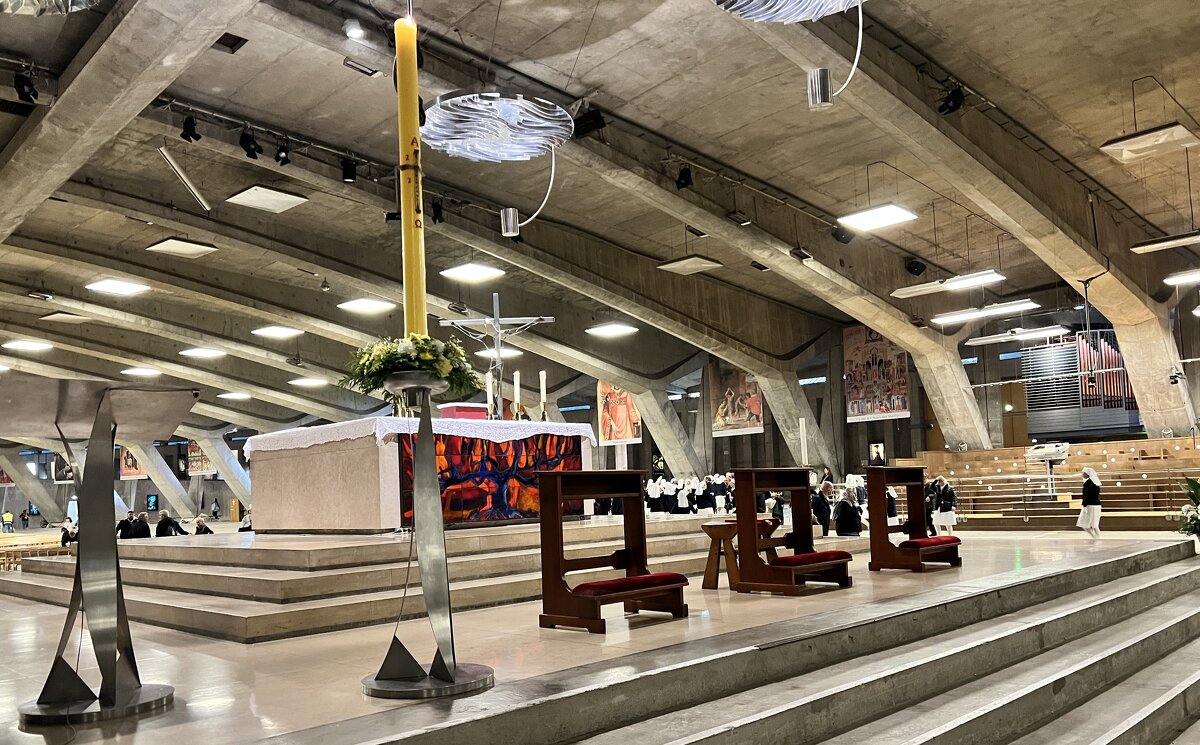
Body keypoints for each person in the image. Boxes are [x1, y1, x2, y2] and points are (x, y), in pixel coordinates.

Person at [1077, 467, 1102, 539]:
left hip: (1090, 505)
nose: (1082, 474)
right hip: (1097, 505)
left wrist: (1084, 506)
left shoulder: (1088, 483)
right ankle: (1097, 537)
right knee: (1094, 525)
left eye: (1084, 473)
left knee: (1084, 524)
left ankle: (1095, 538)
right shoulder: (1096, 482)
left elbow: (1086, 495)